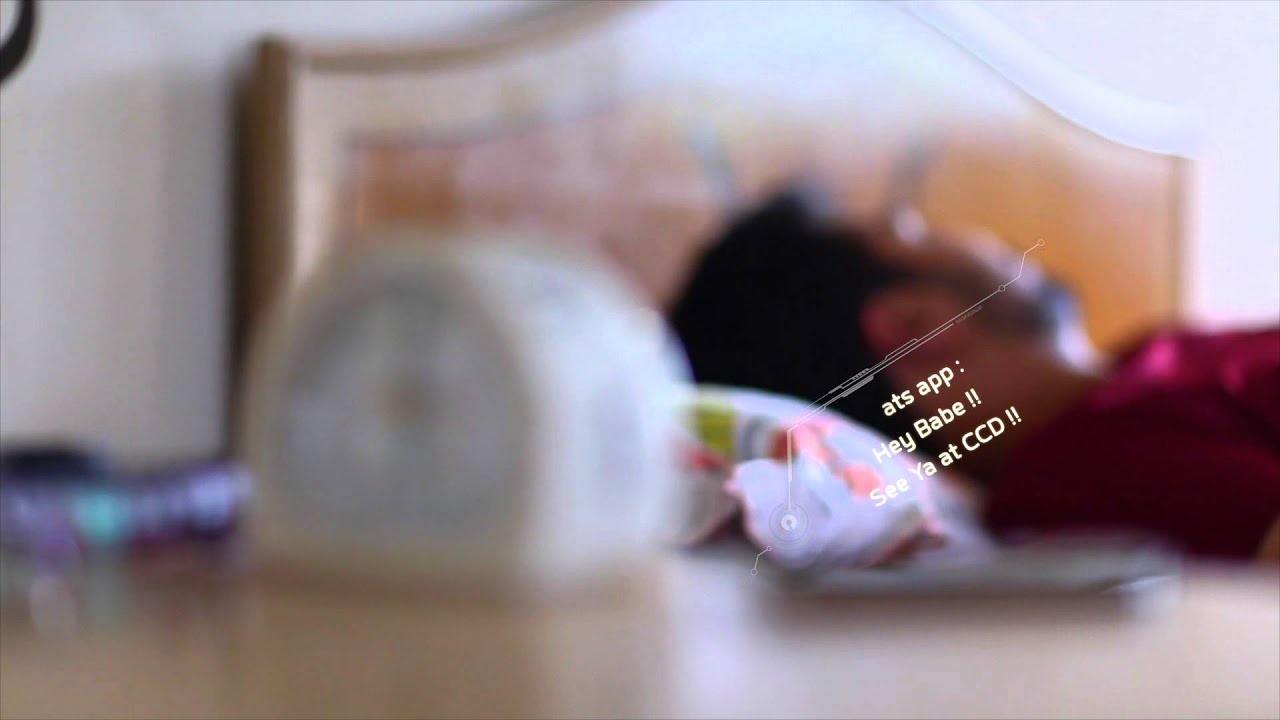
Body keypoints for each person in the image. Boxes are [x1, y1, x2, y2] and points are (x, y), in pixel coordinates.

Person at [669, 185, 1280, 561]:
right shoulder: (1087, 470)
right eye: (919, 233)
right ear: (913, 323)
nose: (988, 238)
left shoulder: (1156, 360)